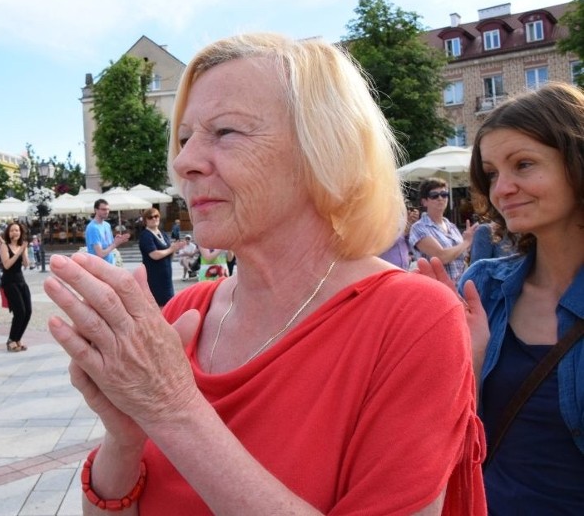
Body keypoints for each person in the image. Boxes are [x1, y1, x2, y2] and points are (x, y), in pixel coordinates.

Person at [42, 34, 484, 514]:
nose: (184, 162)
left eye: (226, 132)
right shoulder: (186, 311)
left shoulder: (413, 319)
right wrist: (124, 438)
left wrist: (171, 408)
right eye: (186, 138)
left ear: (326, 151)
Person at [421, 82, 584, 513]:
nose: (502, 189)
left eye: (524, 165)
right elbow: (447, 435)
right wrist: (454, 356)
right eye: (492, 173)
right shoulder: (484, 286)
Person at [409, 177, 478, 283]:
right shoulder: (419, 228)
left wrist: (467, 248)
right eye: (434, 196)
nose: (440, 198)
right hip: (437, 288)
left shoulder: (452, 227)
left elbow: (462, 255)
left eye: (444, 194)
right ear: (424, 202)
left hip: (461, 286)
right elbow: (441, 257)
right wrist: (466, 242)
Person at [138, 208, 183, 307]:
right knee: (159, 305)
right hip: (154, 275)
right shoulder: (146, 235)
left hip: (166, 275)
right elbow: (154, 255)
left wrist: (175, 249)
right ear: (145, 220)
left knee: (168, 304)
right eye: (150, 217)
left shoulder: (163, 234)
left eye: (156, 216)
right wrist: (171, 249)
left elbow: (169, 254)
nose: (154, 219)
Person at [0, 222, 31, 352]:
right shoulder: (4, 246)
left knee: (28, 311)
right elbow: (7, 265)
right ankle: (11, 340)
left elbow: (26, 264)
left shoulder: (22, 246)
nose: (15, 233)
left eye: (17, 230)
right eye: (12, 230)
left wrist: (23, 250)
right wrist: (18, 252)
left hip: (20, 281)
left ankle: (18, 338)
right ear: (8, 233)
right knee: (19, 312)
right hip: (9, 281)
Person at [86, 199, 130, 265]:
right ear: (96, 210)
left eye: (108, 209)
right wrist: (115, 244)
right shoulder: (93, 228)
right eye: (103, 209)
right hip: (99, 268)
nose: (106, 212)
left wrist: (117, 240)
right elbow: (100, 254)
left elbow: (109, 246)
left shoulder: (107, 225)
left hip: (110, 265)